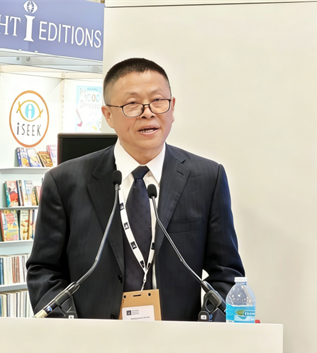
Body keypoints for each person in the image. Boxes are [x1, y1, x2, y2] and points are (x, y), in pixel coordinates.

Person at [26, 58, 244, 320]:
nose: (148, 113)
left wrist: (207, 326)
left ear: (172, 107)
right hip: (92, 338)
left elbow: (226, 273)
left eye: (158, 101)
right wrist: (68, 328)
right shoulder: (65, 182)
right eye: (132, 104)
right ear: (108, 115)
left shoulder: (207, 178)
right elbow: (44, 271)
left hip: (178, 339)